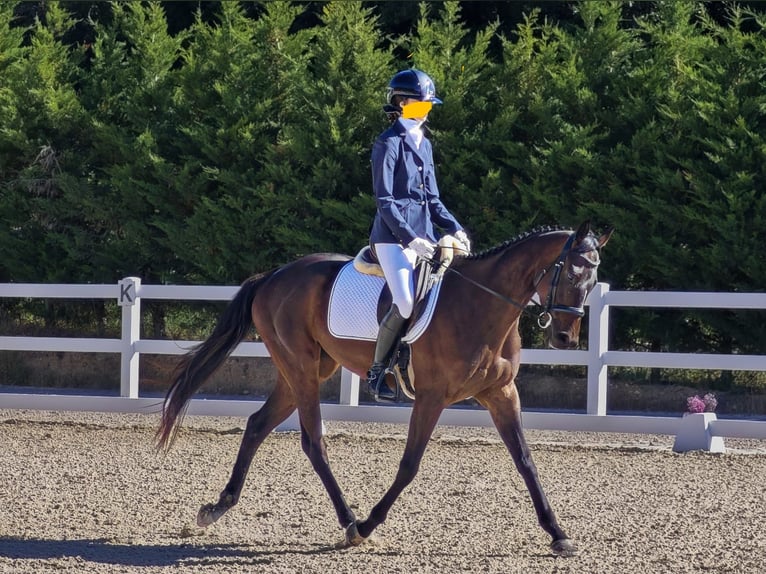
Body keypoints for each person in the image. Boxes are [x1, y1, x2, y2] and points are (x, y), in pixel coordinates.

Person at [366, 68, 470, 402]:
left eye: (428, 104)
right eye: (422, 103)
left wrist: (454, 227)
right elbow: (385, 201)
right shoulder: (387, 143)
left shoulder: (424, 144)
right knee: (406, 302)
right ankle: (377, 370)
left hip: (423, 237)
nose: (427, 109)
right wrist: (411, 238)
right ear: (403, 102)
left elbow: (433, 199)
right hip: (391, 239)